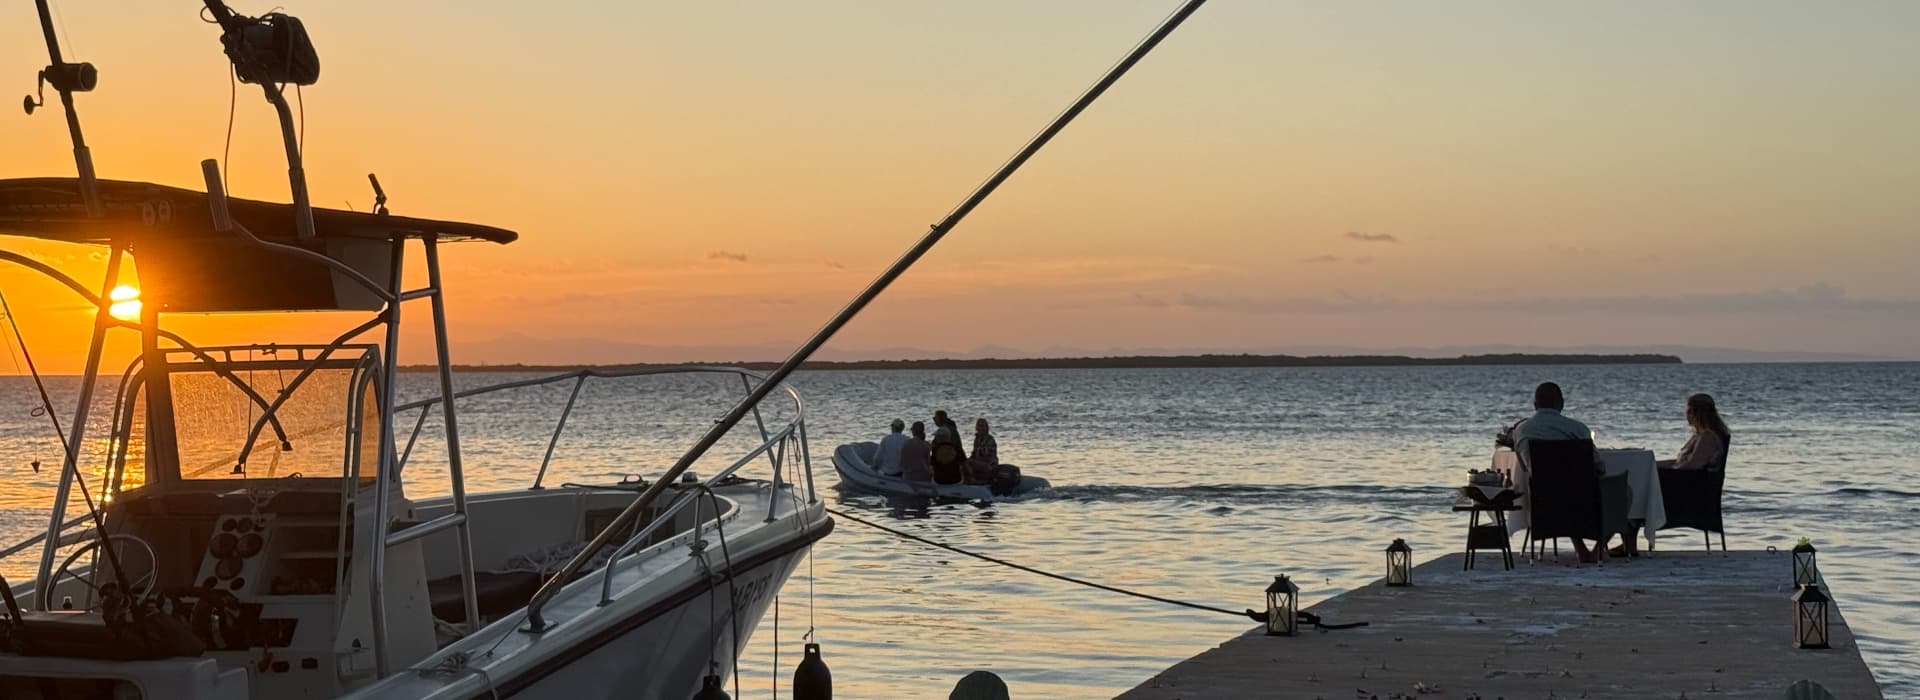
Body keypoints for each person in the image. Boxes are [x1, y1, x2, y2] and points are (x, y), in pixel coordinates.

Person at [1505, 382, 1609, 563]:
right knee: (1622, 491)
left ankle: (1582, 550)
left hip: (1541, 499)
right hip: (1581, 500)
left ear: (1535, 405)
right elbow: (1599, 466)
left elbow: (1523, 467)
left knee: (1562, 495)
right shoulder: (1578, 429)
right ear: (1561, 403)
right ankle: (1598, 549)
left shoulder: (1521, 431)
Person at [1660, 393, 1730, 471]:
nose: (1686, 414)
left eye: (1688, 411)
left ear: (1694, 413)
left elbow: (1693, 465)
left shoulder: (1708, 437)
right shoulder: (1700, 434)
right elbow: (1681, 462)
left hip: (1690, 480)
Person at [966, 417, 998, 483]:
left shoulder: (989, 440)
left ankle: (974, 480)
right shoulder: (977, 439)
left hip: (989, 464)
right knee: (964, 462)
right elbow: (974, 454)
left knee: (970, 463)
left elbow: (988, 457)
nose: (981, 428)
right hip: (980, 462)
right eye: (979, 426)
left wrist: (972, 461)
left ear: (986, 427)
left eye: (983, 426)